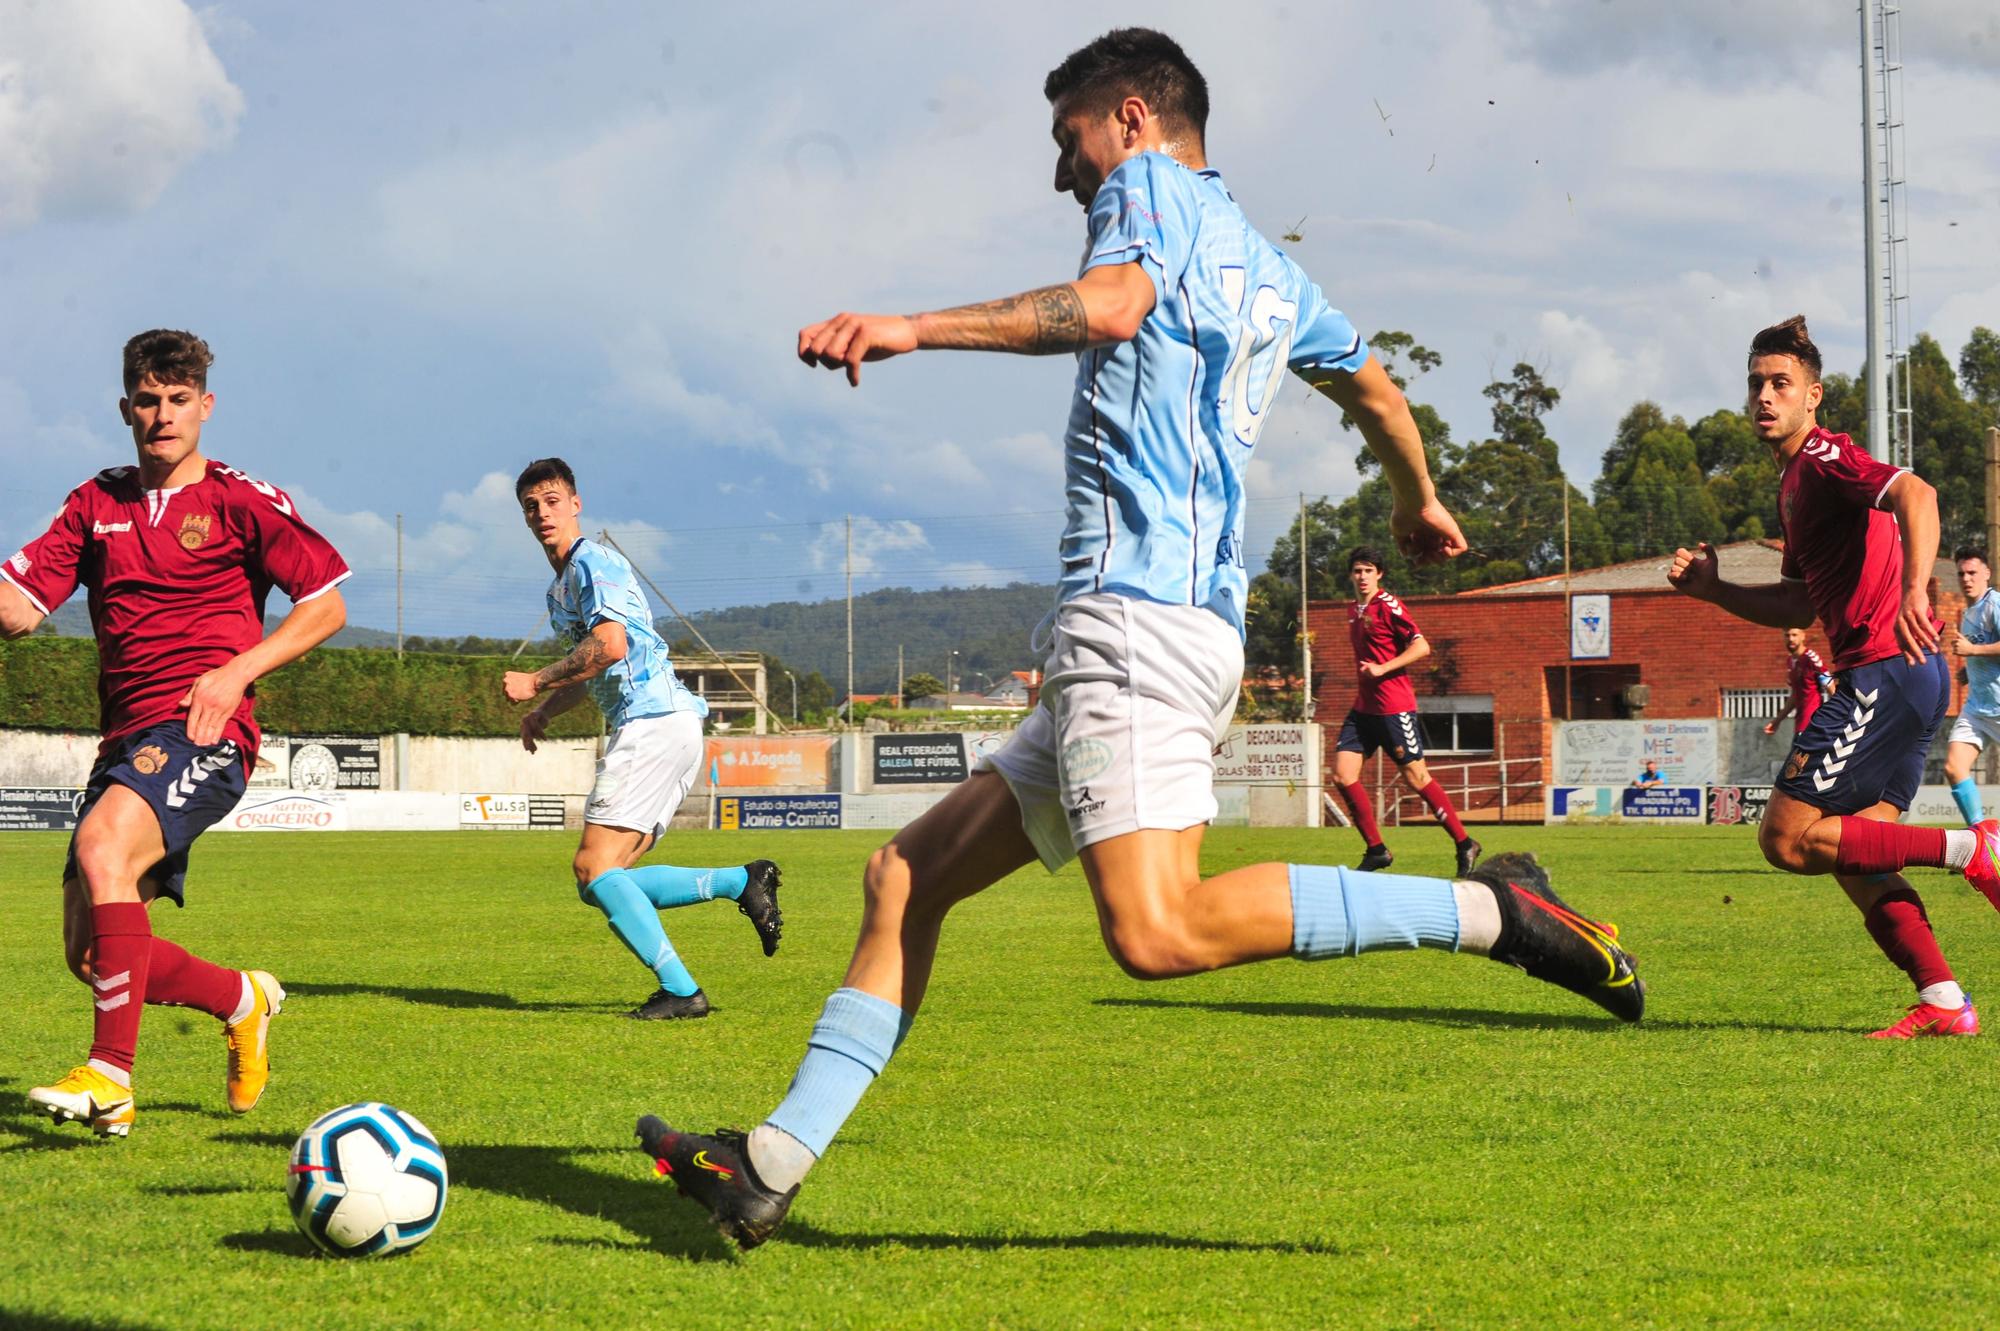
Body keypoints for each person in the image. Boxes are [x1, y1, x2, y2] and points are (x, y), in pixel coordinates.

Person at [635, 28, 1643, 1249]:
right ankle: (767, 1164)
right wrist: (1411, 495)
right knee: (904, 877)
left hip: (1134, 625)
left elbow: (1111, 307)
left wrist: (909, 325)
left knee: (1155, 928)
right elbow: (1375, 388)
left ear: (1130, 116)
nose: (1065, 175)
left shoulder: (1145, 190)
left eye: (1068, 142)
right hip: (1159, 632)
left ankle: (1496, 916)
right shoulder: (1273, 271)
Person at [0, 330, 351, 1137]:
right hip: (124, 743)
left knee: (100, 847)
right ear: (126, 408)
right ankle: (243, 998)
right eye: (149, 400)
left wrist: (236, 674)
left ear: (206, 406)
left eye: (179, 399)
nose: (163, 415)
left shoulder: (241, 499)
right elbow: (20, 607)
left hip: (206, 730)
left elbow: (326, 604)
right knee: (93, 955)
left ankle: (111, 1080)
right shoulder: (98, 502)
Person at [1669, 315, 1997, 1040]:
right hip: (1908, 678)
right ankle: (1945, 1001)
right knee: (1853, 853)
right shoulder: (1795, 485)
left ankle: (1975, 847)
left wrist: (1916, 587)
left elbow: (1921, 495)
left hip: (1883, 669)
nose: (1764, 395)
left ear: (1812, 396)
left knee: (1785, 840)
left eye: (1780, 383)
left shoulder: (1821, 457)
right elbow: (1799, 600)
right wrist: (1716, 590)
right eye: (1756, 382)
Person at [503, 458, 782, 1020]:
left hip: (652, 723)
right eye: (531, 506)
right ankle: (742, 881)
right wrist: (547, 712)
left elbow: (610, 647)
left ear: (575, 504)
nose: (542, 513)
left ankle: (683, 991)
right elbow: (592, 669)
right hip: (666, 725)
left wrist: (534, 680)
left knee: (594, 870)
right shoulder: (560, 591)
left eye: (552, 501)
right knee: (606, 880)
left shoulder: (593, 563)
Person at [1332, 546, 1481, 875]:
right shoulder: (1353, 610)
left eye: (1368, 570)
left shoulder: (1389, 606)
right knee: (1342, 775)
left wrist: (1384, 669)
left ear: (1379, 574)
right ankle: (1377, 850)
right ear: (1350, 575)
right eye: (1357, 570)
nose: (1362, 576)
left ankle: (1464, 843)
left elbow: (1421, 646)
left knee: (1417, 778)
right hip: (1363, 709)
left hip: (1393, 708)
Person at [1943, 546, 2000, 827]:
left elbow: (1977, 648)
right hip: (1977, 709)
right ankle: (1982, 841)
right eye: (1962, 574)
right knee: (1954, 767)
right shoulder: (1969, 612)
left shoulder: (1995, 605)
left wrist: (1972, 652)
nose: (1966, 578)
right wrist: (1969, 670)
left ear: (1987, 573)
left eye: (1972, 572)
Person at [1763, 628, 1833, 740]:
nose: (1791, 639)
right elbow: (1796, 695)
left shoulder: (1811, 658)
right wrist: (1777, 721)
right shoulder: (1790, 661)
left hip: (1812, 726)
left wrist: (1838, 718)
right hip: (1800, 726)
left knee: (1796, 758)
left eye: (1794, 635)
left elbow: (1830, 685)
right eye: (1787, 635)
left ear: (1803, 636)